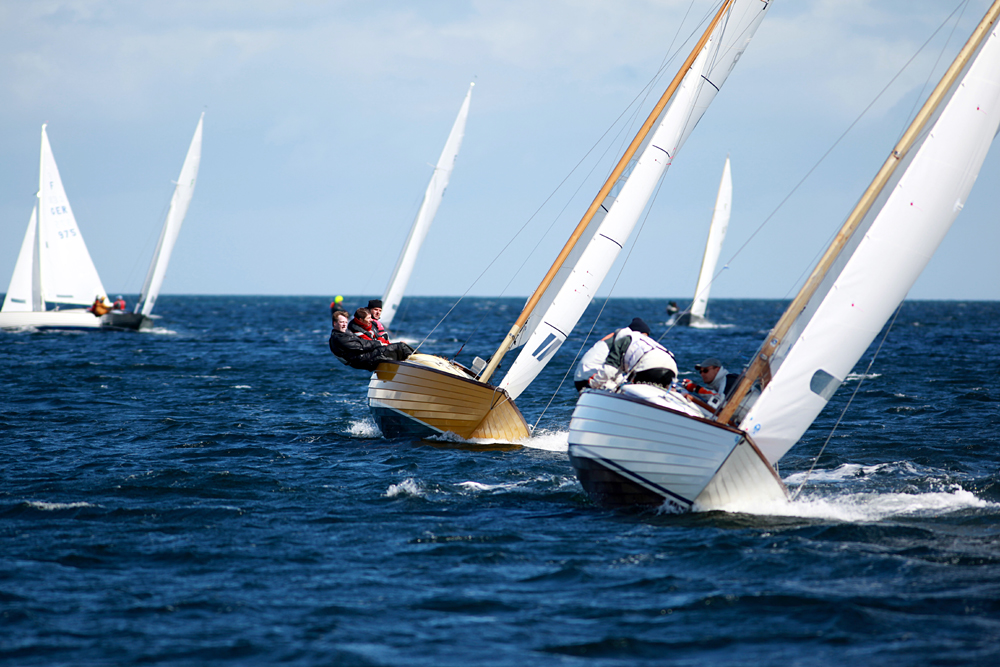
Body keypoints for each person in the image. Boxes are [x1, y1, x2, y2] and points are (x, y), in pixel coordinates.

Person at [587, 317, 678, 390]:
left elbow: (609, 370)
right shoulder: (651, 343)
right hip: (672, 367)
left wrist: (594, 383)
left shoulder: (623, 340)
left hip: (648, 367)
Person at [329, 310, 414, 371]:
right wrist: (379, 343)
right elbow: (361, 346)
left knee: (398, 347)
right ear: (334, 323)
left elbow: (363, 342)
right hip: (362, 360)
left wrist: (383, 344)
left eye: (345, 322)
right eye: (341, 322)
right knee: (400, 347)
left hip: (364, 357)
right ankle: (422, 363)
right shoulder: (338, 338)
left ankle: (413, 363)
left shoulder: (345, 333)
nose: (344, 325)